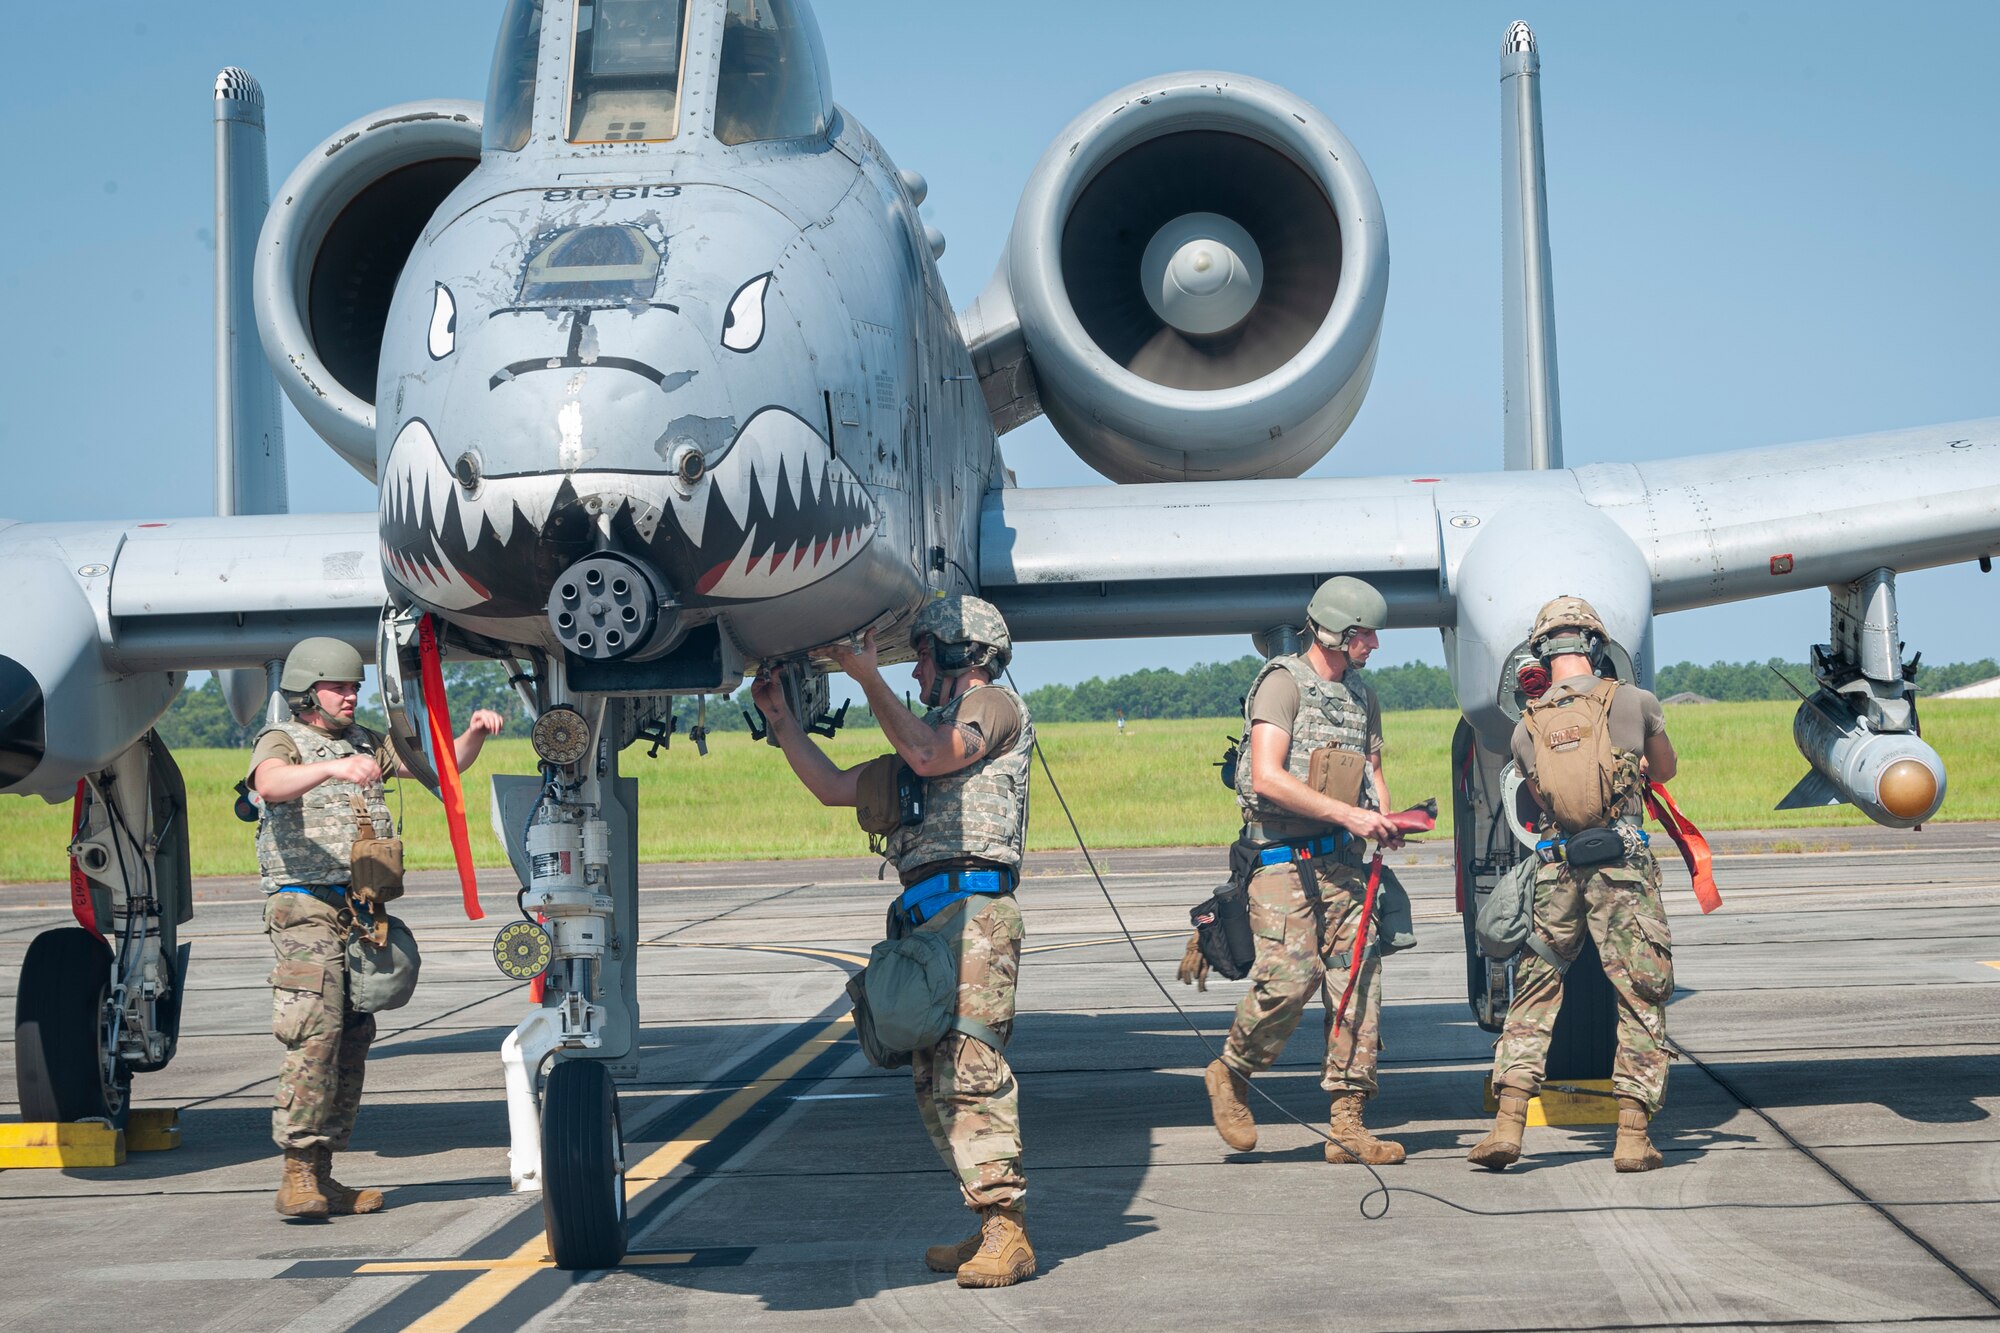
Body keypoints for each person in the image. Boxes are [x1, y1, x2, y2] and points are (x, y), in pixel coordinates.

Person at [751, 595, 1036, 1288]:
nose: (914, 675)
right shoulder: (925, 726)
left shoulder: (994, 706)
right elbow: (833, 786)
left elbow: (929, 754)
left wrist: (865, 676)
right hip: (927, 923)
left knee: (969, 1068)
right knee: (930, 1080)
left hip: (974, 918)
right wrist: (782, 720)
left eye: (924, 659)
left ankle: (1009, 1228)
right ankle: (985, 1216)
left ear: (962, 654)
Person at [249, 637, 503, 1219]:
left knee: (353, 1038)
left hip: (361, 911)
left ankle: (323, 1172)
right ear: (307, 691)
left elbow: (440, 764)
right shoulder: (283, 739)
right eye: (339, 687)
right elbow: (269, 783)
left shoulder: (365, 742)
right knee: (316, 1029)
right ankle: (296, 1172)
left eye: (354, 687)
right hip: (303, 904)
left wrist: (474, 735)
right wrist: (334, 768)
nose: (350, 695)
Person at [1194, 576, 1410, 1165]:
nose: (1374, 645)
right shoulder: (1282, 685)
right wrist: (1349, 814)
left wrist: (1383, 819)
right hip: (1281, 863)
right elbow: (1266, 776)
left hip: (1345, 863)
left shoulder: (1362, 695)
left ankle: (1348, 1123)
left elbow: (1371, 769)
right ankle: (1232, 1072)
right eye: (1367, 634)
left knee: (1359, 986)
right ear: (1339, 631)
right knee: (1289, 979)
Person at [1468, 596, 1679, 1173]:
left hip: (1557, 870)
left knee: (1536, 989)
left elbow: (1539, 799)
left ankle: (1508, 1125)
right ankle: (1633, 1137)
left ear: (1541, 651)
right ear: (1595, 645)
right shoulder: (1634, 702)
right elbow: (1664, 770)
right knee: (1639, 994)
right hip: (1620, 867)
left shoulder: (1526, 725)